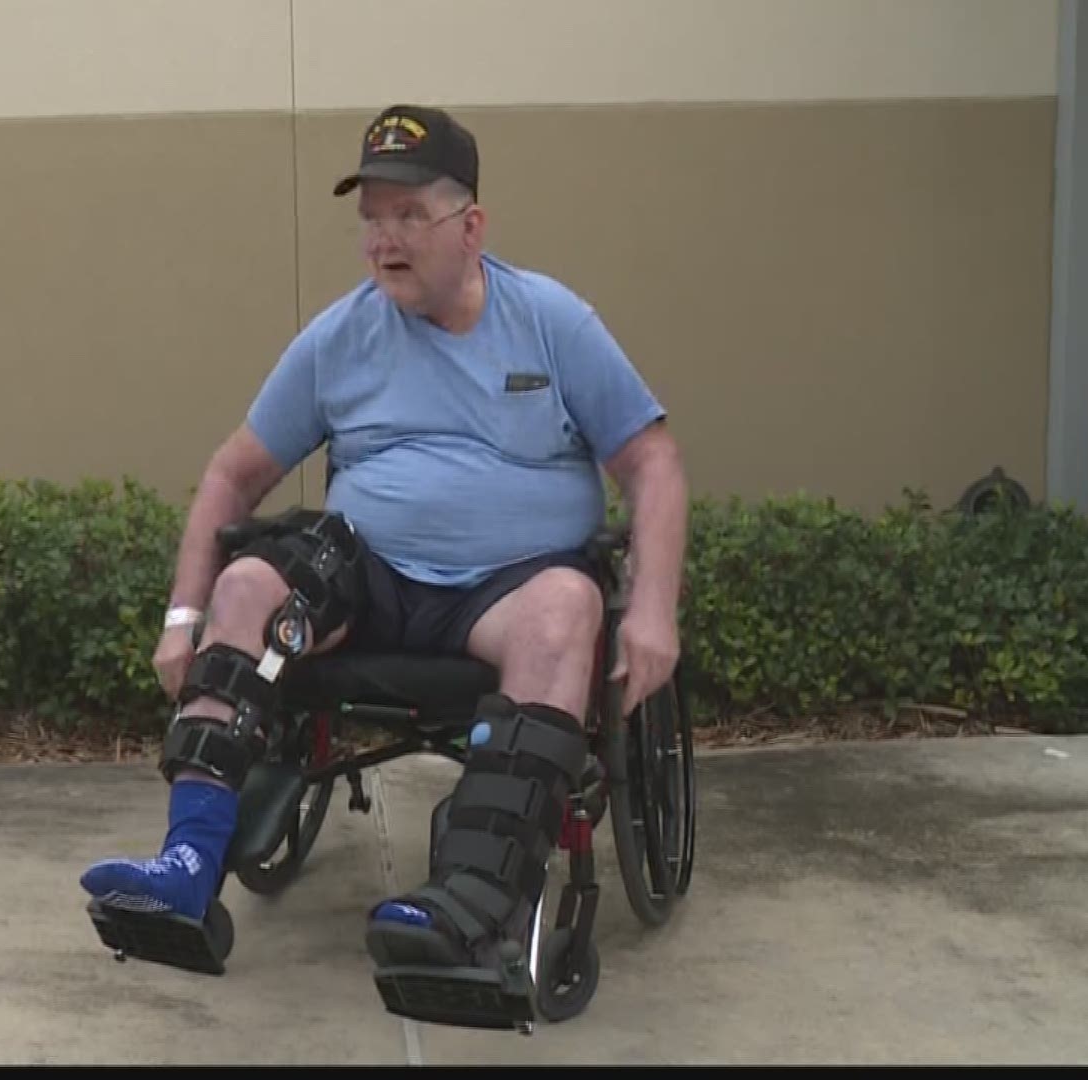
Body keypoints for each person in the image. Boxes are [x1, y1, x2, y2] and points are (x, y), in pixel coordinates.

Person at [81, 104, 688, 990]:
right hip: (370, 579)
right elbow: (230, 475)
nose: (383, 239)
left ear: (470, 225)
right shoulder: (339, 337)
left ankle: (473, 901)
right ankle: (186, 869)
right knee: (249, 584)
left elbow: (654, 463)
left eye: (408, 215)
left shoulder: (551, 322)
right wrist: (183, 620)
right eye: (370, 218)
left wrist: (656, 607)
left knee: (569, 608)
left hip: (510, 594)